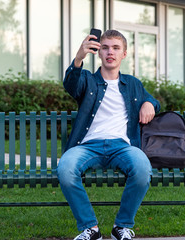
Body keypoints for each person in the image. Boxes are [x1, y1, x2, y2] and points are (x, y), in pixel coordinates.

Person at [57, 29, 161, 240]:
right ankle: (90, 229)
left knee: (142, 169)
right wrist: (79, 57)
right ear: (98, 52)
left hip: (122, 146)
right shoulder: (88, 80)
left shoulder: (132, 84)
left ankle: (121, 227)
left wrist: (149, 103)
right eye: (105, 47)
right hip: (87, 146)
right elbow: (70, 84)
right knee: (66, 169)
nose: (110, 52)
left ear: (124, 53)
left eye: (115, 48)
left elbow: (153, 101)